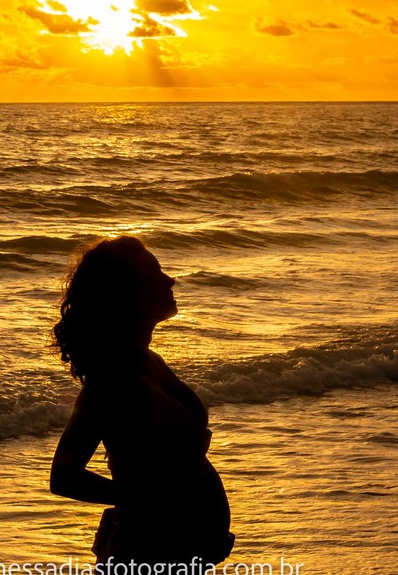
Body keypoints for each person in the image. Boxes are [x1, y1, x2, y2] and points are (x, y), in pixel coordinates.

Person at [49, 236, 234, 568]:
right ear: (128, 293)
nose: (170, 280)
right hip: (145, 551)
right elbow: (64, 476)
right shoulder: (112, 380)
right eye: (156, 275)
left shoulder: (150, 361)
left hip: (182, 551)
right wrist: (140, 500)